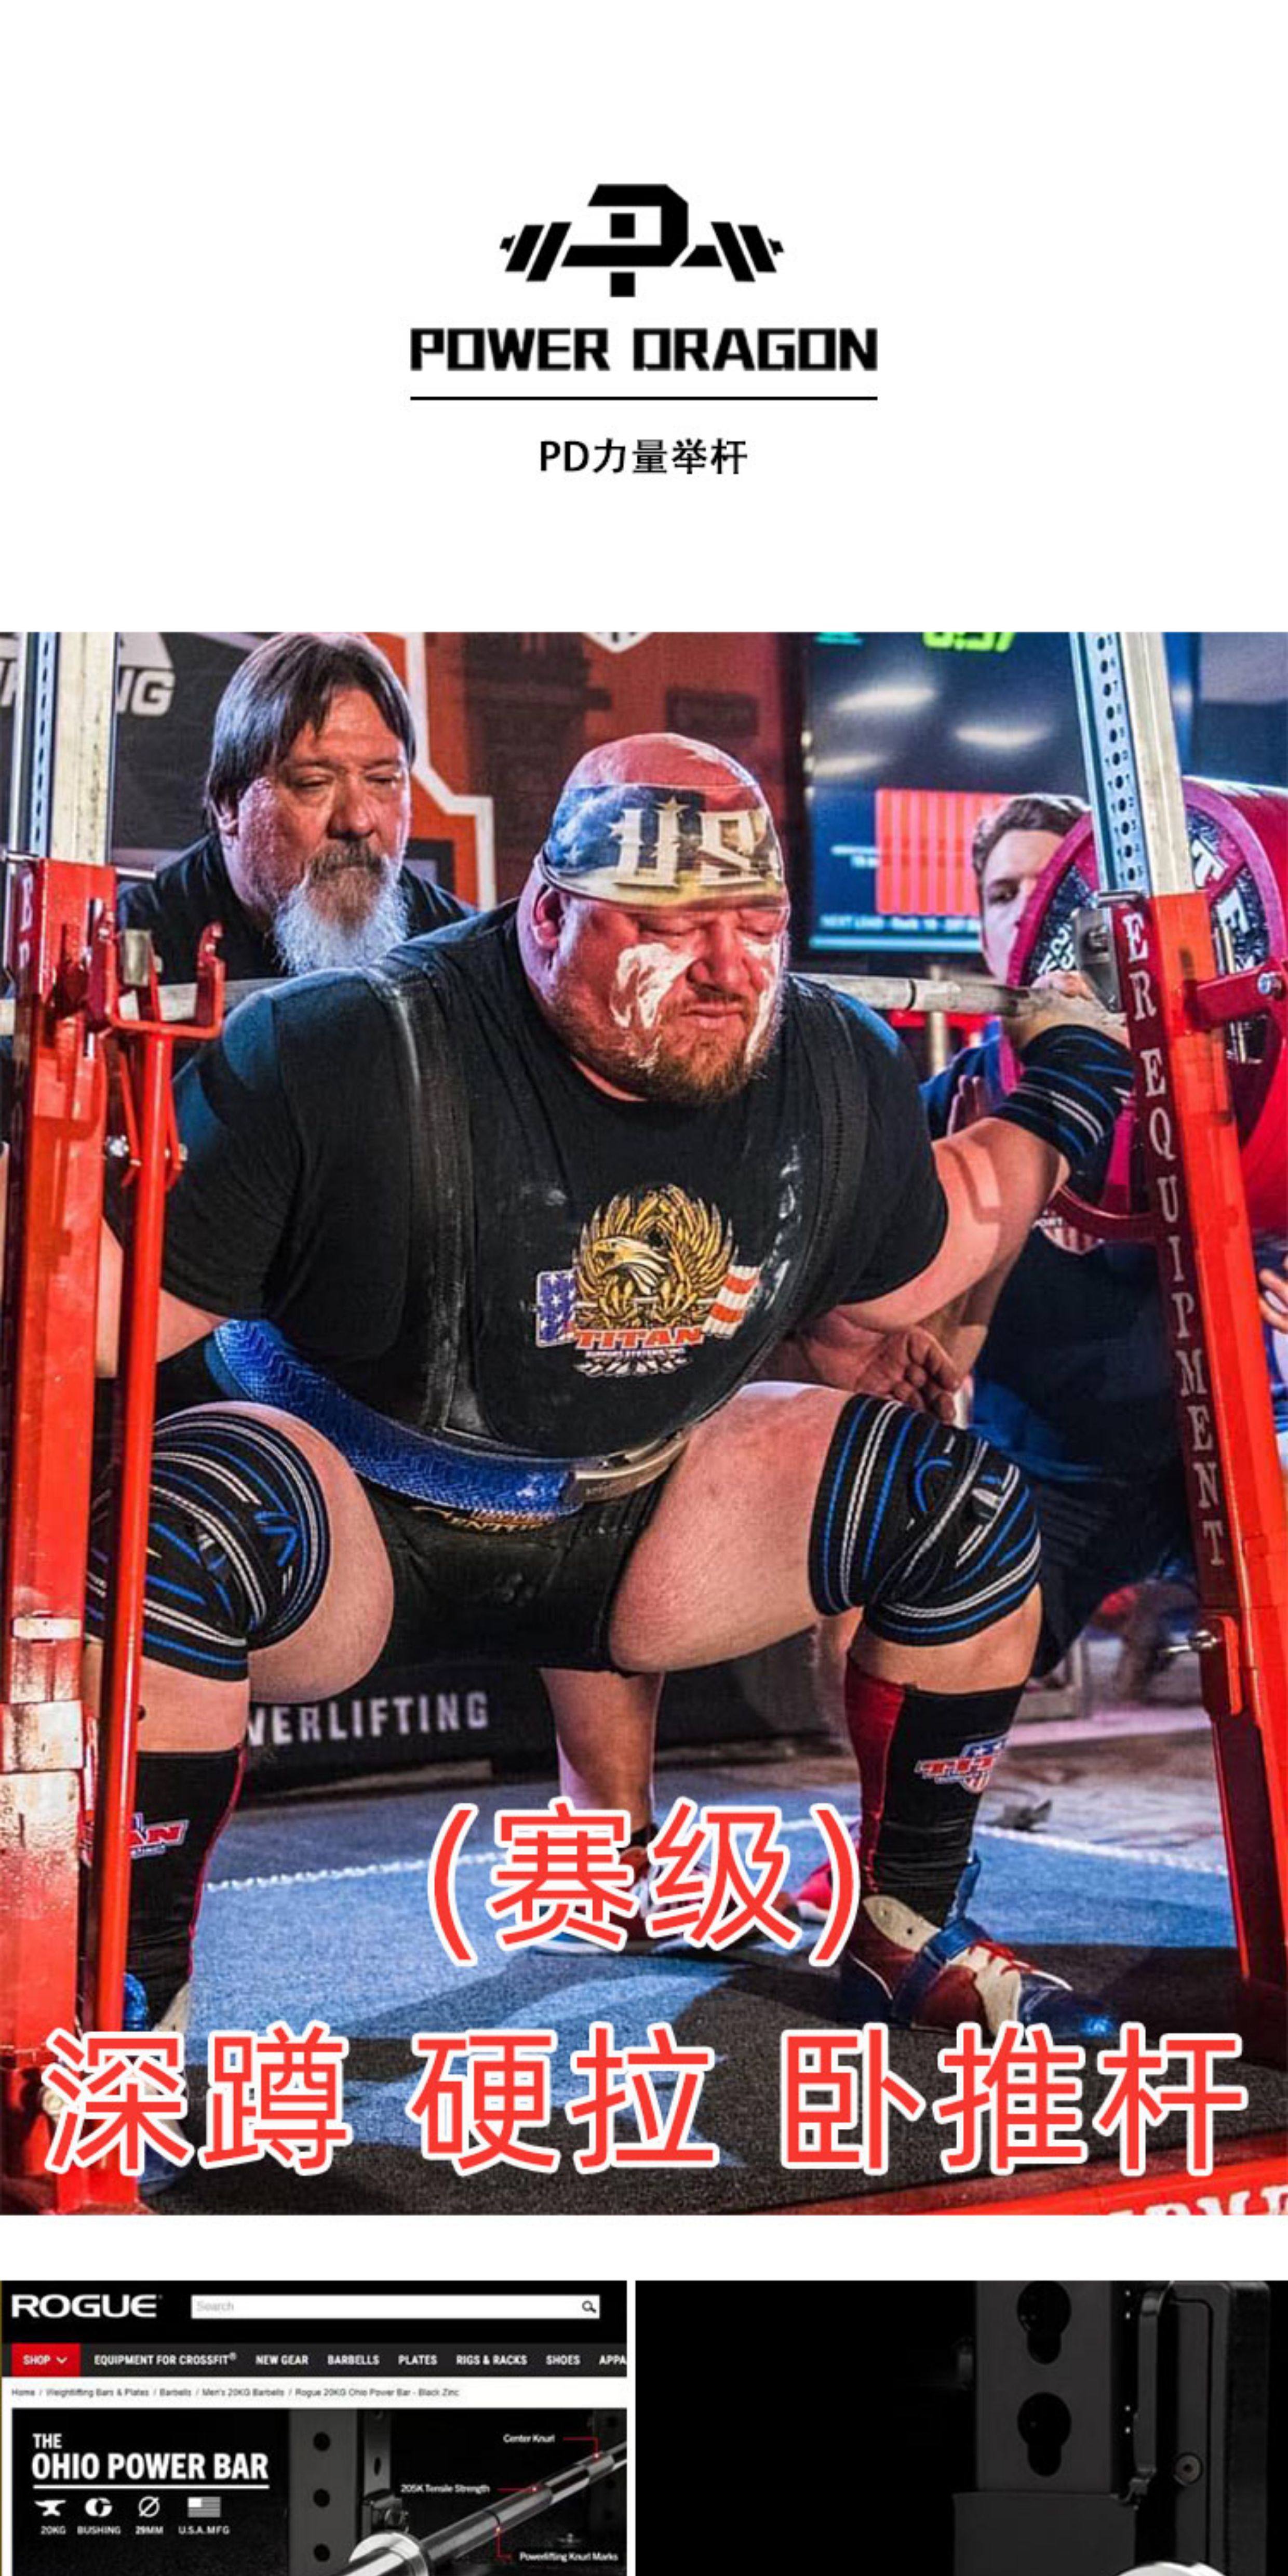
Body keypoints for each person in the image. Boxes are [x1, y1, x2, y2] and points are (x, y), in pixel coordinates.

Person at [89, 734, 1137, 2041]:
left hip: (633, 1509)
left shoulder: (824, 1056)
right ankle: (128, 1992)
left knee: (961, 1511)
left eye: (756, 926)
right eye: (670, 928)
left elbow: (952, 1220)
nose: (726, 970)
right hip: (356, 1507)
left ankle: (906, 1929)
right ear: (546, 915)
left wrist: (1075, 1079)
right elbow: (100, 1309)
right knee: (164, 1534)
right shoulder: (349, 1047)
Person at [791, 790, 1288, 1919]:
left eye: (1060, 890)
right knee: (879, 1589)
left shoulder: (1239, 1083)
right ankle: (895, 1852)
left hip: (1227, 1454)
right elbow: (876, 1330)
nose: (1035, 915)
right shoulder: (946, 1114)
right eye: (1007, 894)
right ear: (979, 927)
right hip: (1047, 1479)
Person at [115, 631, 469, 979]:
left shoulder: (466, 955)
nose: (357, 821)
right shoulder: (129, 951)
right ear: (229, 806)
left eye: (382, 780)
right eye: (314, 784)